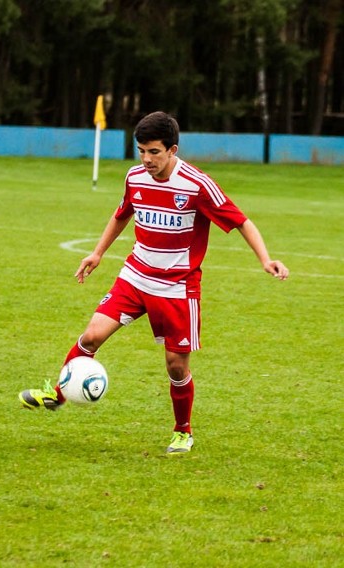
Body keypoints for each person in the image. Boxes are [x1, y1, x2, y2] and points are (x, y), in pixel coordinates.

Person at [19, 111, 288, 454]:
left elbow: (241, 222)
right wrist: (98, 253)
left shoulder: (197, 185)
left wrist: (265, 259)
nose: (146, 159)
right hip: (135, 276)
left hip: (178, 286)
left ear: (172, 150)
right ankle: (57, 395)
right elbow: (121, 215)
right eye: (141, 151)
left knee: (176, 366)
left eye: (154, 152)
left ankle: (182, 431)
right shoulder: (135, 178)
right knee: (91, 335)